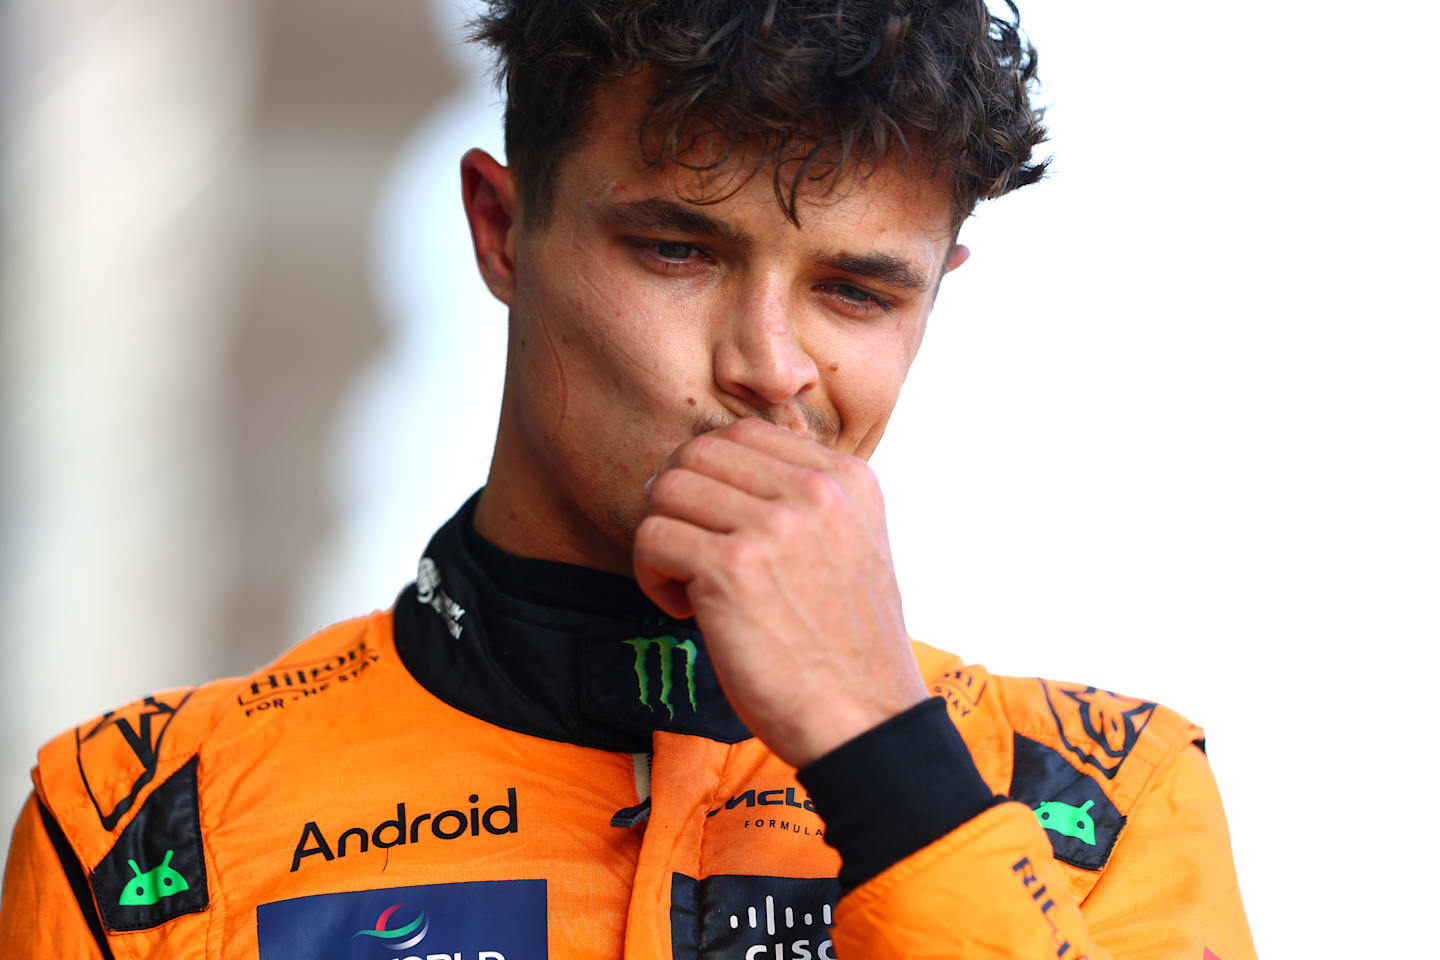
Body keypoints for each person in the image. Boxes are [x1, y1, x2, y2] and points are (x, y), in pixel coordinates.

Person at [0, 1, 1257, 957]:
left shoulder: (1108, 798)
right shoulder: (131, 823)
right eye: (676, 249)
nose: (768, 368)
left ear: (935, 295)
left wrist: (887, 760)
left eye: (855, 291)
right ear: (501, 229)